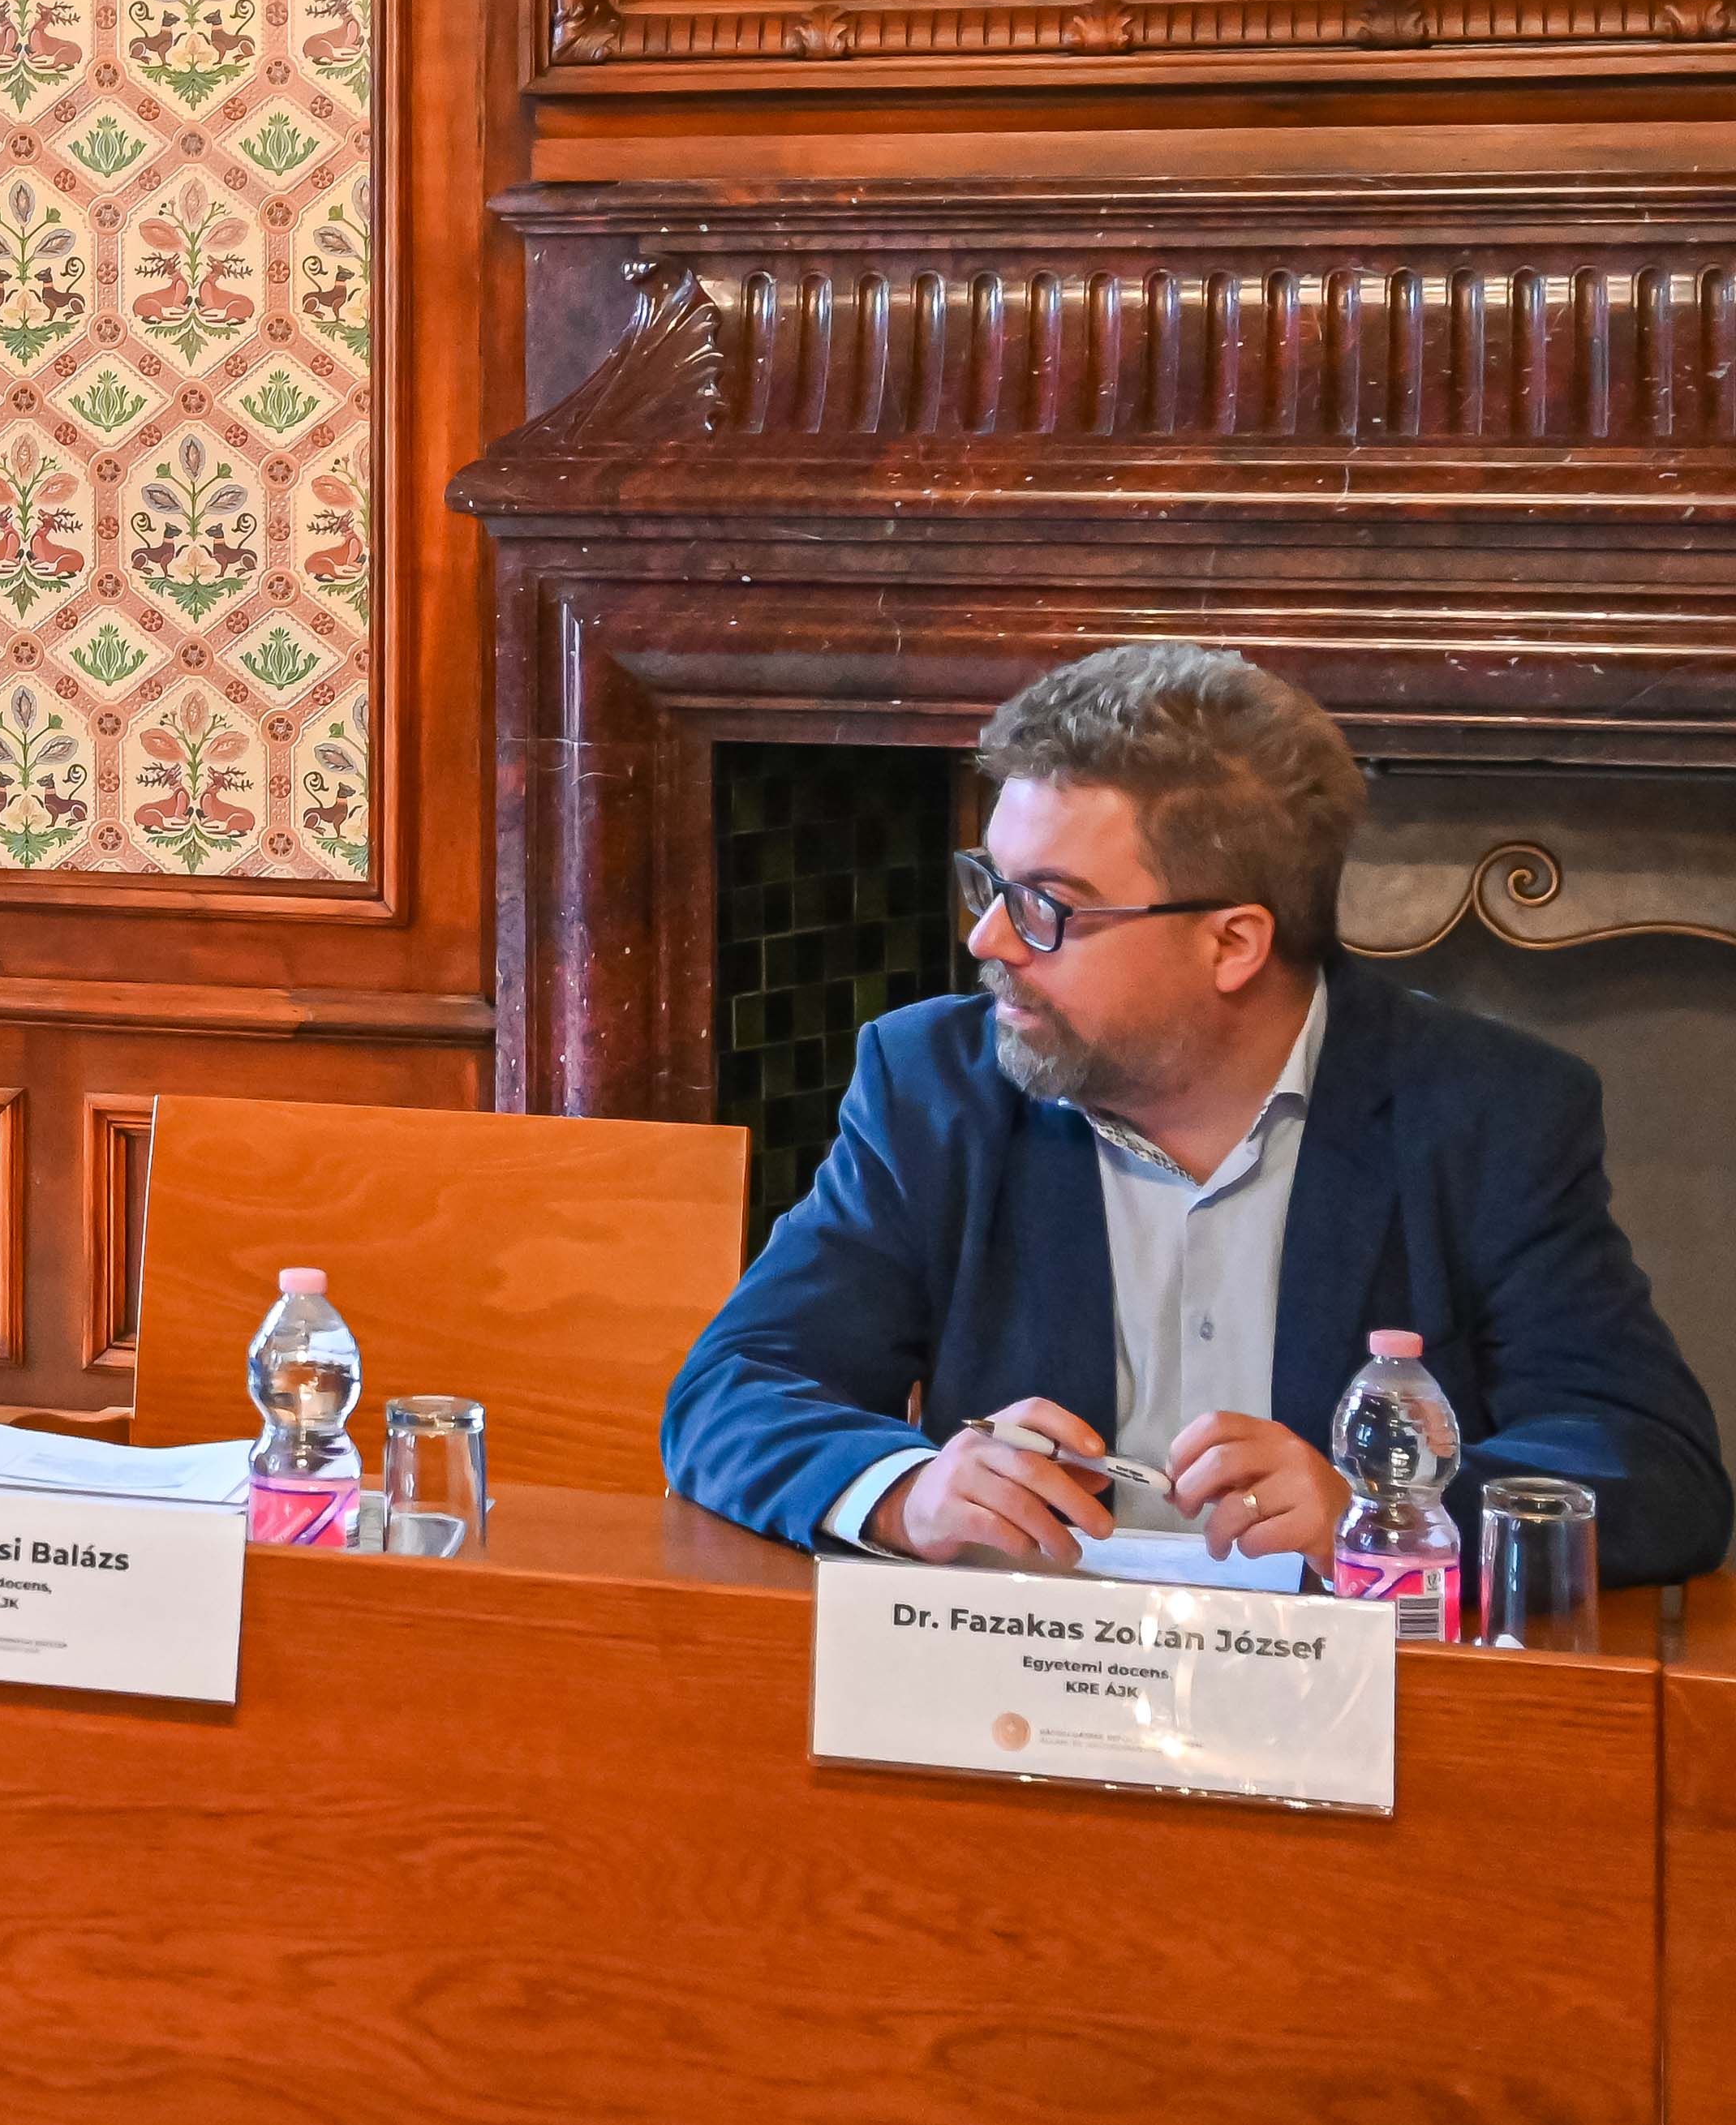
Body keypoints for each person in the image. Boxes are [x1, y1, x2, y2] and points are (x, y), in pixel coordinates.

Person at [664, 642, 1724, 1582]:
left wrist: (1383, 1516)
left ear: (1233, 944)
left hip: (1356, 1701)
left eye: (1046, 905)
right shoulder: (935, 1085)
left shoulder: (1484, 1111)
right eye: (990, 883)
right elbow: (733, 1391)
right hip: (1015, 1692)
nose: (988, 939)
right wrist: (908, 1491)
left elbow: (1650, 1467)